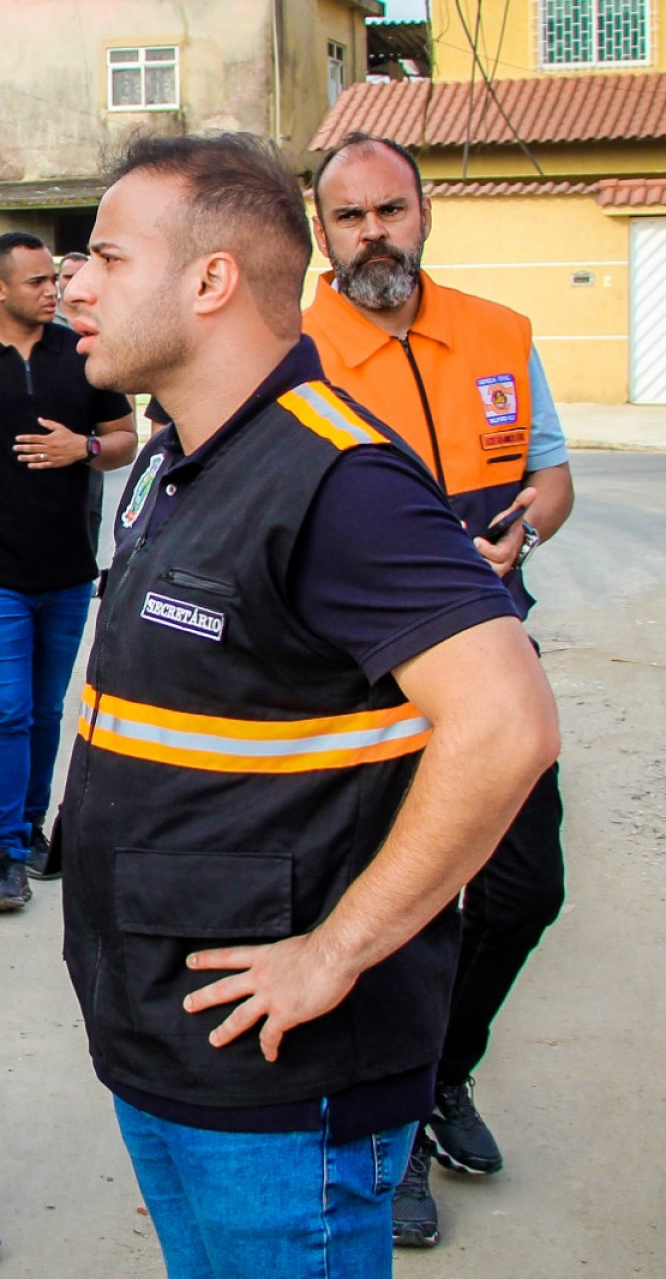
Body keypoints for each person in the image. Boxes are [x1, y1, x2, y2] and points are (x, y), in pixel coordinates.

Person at [56, 130, 560, 1279]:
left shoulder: (338, 478)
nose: (75, 284)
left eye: (107, 256)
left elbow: (508, 722)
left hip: (285, 1088)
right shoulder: (187, 455)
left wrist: (337, 950)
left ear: (211, 280)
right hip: (175, 1043)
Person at [303, 131, 576, 1249]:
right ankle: (396, 1133)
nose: (375, 232)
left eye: (391, 210)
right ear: (322, 233)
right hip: (354, 686)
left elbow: (550, 474)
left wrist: (525, 531)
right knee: (397, 908)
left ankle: (444, 1073)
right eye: (351, 216)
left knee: (522, 889)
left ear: (425, 213)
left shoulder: (500, 336)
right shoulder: (289, 346)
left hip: (490, 663)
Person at [0, 230, 136, 910]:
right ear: (0, 288)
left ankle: (33, 828)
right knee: (7, 711)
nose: (56, 290)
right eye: (40, 281)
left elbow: (128, 438)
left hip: (68, 571)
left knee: (46, 709)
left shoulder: (84, 356)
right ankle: (4, 851)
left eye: (55, 279)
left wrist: (85, 446)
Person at [52, 251, 87, 328]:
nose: (73, 282)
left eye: (81, 277)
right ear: (58, 279)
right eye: (68, 277)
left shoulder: (104, 316)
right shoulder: (44, 315)